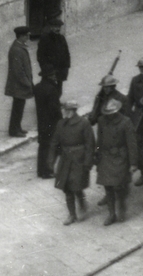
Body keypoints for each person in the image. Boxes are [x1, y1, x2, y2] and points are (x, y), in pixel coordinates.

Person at [50, 96, 95, 224]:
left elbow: (90, 144)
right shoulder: (61, 123)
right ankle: (72, 215)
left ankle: (81, 203)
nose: (63, 111)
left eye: (65, 110)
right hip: (65, 159)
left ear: (72, 110)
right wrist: (51, 161)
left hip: (79, 160)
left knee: (76, 186)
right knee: (66, 187)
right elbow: (54, 142)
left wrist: (88, 162)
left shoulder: (84, 123)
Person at [95, 96, 138, 225]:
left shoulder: (126, 122)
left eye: (111, 113)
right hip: (106, 156)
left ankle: (121, 207)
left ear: (117, 111)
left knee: (119, 186)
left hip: (120, 157)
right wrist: (97, 154)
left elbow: (132, 143)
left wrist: (133, 163)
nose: (109, 116)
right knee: (107, 186)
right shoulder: (102, 121)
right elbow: (99, 139)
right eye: (107, 113)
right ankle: (111, 214)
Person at [6, 26, 34, 137]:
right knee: (17, 108)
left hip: (19, 85)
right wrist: (27, 83)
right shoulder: (16, 50)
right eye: (26, 35)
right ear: (21, 36)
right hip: (18, 85)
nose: (28, 37)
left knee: (19, 107)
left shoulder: (19, 47)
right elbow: (18, 71)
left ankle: (17, 128)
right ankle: (14, 130)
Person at [34, 69, 62, 179]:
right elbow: (55, 108)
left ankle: (40, 170)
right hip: (51, 122)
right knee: (50, 146)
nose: (55, 76)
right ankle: (47, 171)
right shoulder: (52, 89)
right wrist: (60, 120)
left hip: (41, 121)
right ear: (49, 76)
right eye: (53, 74)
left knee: (42, 145)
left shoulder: (37, 88)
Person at [37, 16, 71, 86]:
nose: (58, 29)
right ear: (51, 27)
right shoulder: (45, 39)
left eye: (59, 27)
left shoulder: (62, 38)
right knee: (49, 91)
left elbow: (66, 53)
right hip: (49, 72)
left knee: (59, 91)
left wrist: (66, 67)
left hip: (60, 71)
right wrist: (47, 69)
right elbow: (40, 56)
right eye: (55, 27)